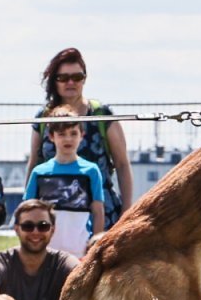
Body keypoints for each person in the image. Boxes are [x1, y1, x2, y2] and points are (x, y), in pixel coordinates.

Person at [27, 49, 134, 222]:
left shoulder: (102, 114)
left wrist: (127, 210)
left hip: (100, 212)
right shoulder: (43, 117)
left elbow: (122, 164)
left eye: (77, 77)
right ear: (54, 81)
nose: (71, 82)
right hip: (55, 213)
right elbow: (33, 163)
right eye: (63, 78)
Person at [26, 110, 108, 256]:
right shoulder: (39, 172)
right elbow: (27, 211)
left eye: (73, 133)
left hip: (80, 252)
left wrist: (96, 244)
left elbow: (98, 211)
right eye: (62, 134)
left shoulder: (91, 171)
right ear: (51, 136)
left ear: (82, 135)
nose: (68, 139)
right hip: (46, 252)